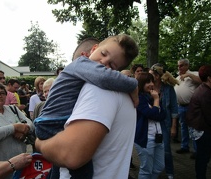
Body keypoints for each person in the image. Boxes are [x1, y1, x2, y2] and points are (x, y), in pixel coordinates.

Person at [35, 34, 139, 178]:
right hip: (51, 122)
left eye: (111, 65)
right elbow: (103, 76)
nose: (104, 62)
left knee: (63, 168)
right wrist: (133, 85)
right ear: (93, 49)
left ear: (116, 71)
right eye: (103, 53)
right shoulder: (80, 64)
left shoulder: (99, 87)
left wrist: (39, 144)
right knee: (81, 170)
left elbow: (72, 156)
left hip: (52, 122)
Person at [186, 65, 211, 179]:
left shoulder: (202, 89)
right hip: (204, 131)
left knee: (201, 158)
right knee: (203, 158)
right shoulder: (206, 93)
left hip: (199, 129)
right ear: (210, 78)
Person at [149, 63, 179, 179]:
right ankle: (152, 172)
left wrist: (174, 126)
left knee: (166, 150)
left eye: (151, 74)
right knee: (151, 149)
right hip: (151, 122)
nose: (149, 76)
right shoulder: (148, 86)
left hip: (165, 123)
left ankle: (170, 173)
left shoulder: (168, 88)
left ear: (157, 76)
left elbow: (174, 108)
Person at [134, 72, 166, 178]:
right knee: (146, 170)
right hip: (145, 139)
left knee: (159, 167)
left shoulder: (151, 96)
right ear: (141, 83)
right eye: (148, 82)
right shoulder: (139, 98)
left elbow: (163, 115)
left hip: (158, 138)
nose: (151, 84)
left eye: (152, 81)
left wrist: (155, 102)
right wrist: (157, 100)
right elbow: (152, 114)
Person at [174, 59, 201, 156]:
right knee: (184, 128)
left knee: (192, 129)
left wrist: (189, 75)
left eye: (181, 66)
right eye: (178, 66)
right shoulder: (178, 77)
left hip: (191, 106)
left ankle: (196, 150)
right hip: (181, 106)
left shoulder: (193, 74)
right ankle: (184, 146)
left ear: (187, 65)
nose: (179, 68)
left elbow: (202, 81)